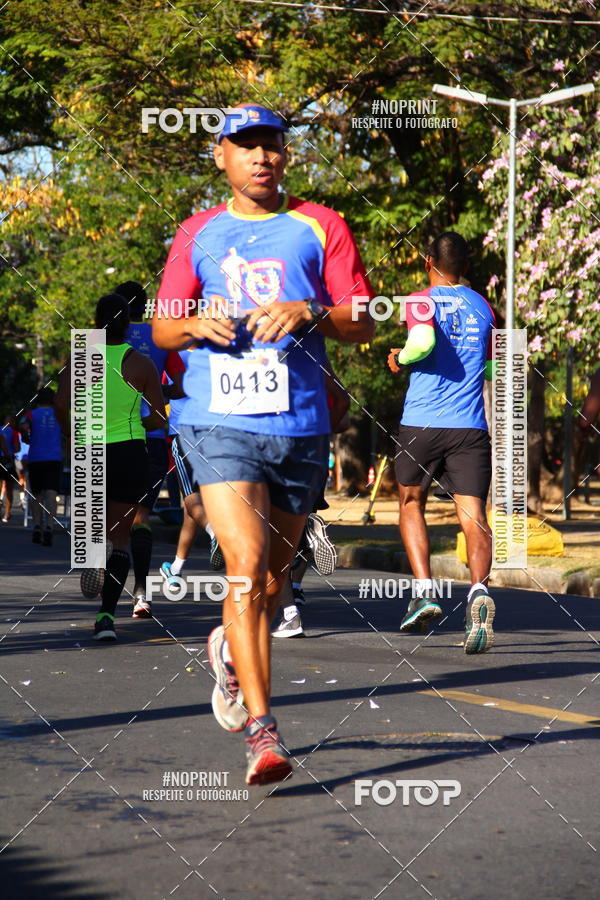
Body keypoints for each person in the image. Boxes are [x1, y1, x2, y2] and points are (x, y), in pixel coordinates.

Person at [152, 103, 374, 785]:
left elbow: (362, 318)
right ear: (220, 155)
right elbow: (159, 329)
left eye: (271, 145)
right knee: (245, 566)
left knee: (274, 578)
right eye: (245, 145)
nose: (260, 156)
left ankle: (226, 645)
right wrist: (196, 320)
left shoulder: (320, 225)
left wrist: (312, 310)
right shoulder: (199, 232)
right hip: (216, 419)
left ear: (285, 155)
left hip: (300, 424)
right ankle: (263, 730)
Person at [387, 231, 496, 654]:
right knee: (473, 514)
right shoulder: (483, 306)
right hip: (470, 427)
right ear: (465, 266)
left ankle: (424, 591)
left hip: (422, 424)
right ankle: (478, 593)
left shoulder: (420, 300)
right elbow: (486, 364)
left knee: (411, 502)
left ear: (427, 260)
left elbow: (424, 342)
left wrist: (401, 358)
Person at [56, 293, 166, 640]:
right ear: (128, 324)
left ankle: (92, 552)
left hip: (90, 448)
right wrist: (138, 422)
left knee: (92, 524)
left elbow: (61, 405)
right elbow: (159, 417)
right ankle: (106, 617)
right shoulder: (142, 364)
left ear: (95, 321)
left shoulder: (79, 359)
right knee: (121, 538)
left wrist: (74, 432)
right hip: (129, 452)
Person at [114, 280, 186, 619]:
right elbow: (181, 384)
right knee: (142, 516)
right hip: (152, 439)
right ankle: (142, 594)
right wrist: (156, 391)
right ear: (145, 308)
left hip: (110, 439)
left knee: (111, 519)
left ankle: (107, 588)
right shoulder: (160, 336)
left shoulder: (101, 340)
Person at [272, 360, 351, 638]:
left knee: (272, 537)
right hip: (312, 454)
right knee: (297, 522)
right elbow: (344, 406)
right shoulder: (317, 363)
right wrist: (321, 431)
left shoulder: (264, 357)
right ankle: (296, 582)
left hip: (274, 450)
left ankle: (290, 614)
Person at [19, 388, 63, 545]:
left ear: (37, 399)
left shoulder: (31, 414)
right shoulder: (60, 414)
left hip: (36, 458)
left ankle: (37, 525)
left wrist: (27, 437)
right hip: (54, 458)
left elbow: (23, 427)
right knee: (51, 494)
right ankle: (50, 526)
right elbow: (70, 431)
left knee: (36, 494)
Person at [1, 415, 20, 522]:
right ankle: (7, 513)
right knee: (9, 488)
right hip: (8, 460)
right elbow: (17, 448)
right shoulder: (14, 432)